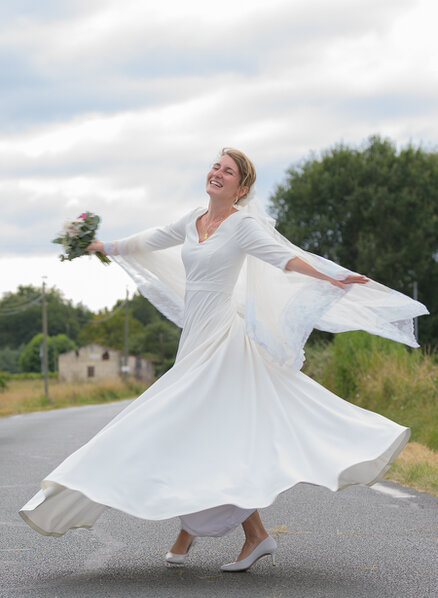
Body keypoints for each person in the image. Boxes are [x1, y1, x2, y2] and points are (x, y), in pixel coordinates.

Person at [19, 148, 428, 572]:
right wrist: (102, 245)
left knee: (192, 429)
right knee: (198, 433)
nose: (217, 172)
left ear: (242, 188)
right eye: (216, 166)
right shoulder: (193, 220)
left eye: (227, 171)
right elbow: (149, 239)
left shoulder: (242, 226)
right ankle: (234, 534)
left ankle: (224, 534)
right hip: (194, 341)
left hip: (223, 342)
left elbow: (283, 258)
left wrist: (332, 276)